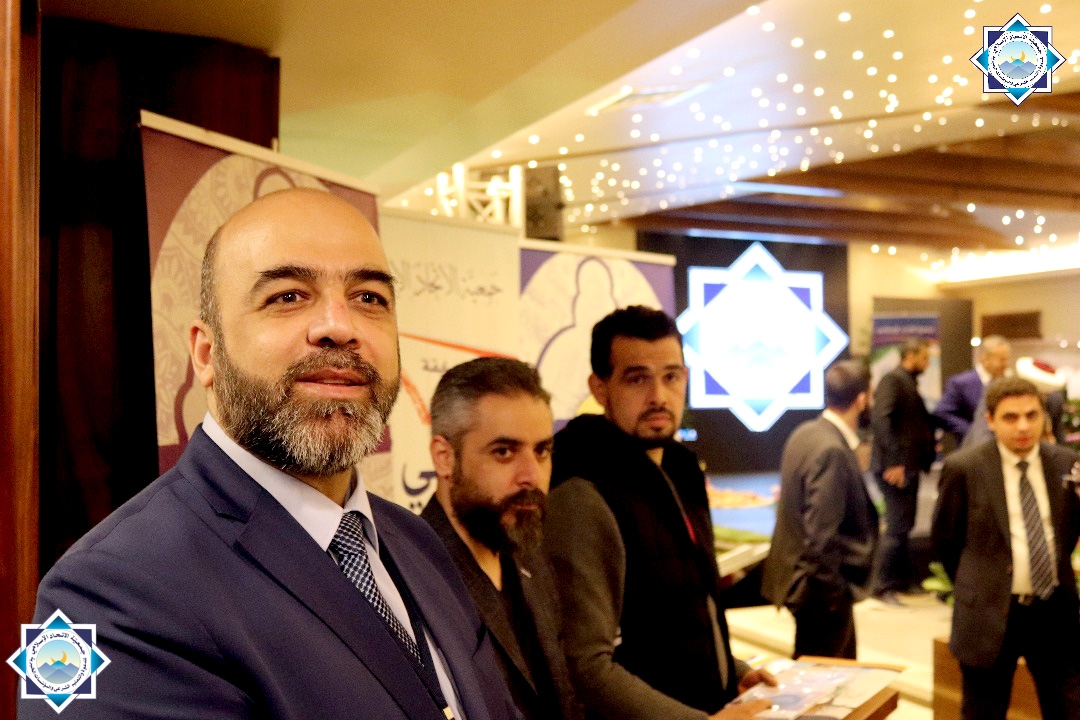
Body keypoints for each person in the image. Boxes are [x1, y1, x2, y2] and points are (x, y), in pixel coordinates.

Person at [20, 189, 518, 720]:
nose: (340, 326)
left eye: (369, 298)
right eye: (288, 296)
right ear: (207, 354)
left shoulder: (415, 540)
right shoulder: (104, 593)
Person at [543, 306, 774, 720]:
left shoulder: (680, 469)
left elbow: (687, 609)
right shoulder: (582, 488)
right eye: (637, 379)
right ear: (600, 388)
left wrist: (733, 673)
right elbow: (586, 666)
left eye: (672, 376)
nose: (659, 397)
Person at [421, 358, 582, 720]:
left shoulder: (529, 551)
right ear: (444, 458)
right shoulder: (411, 578)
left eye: (542, 451)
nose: (531, 476)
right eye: (504, 452)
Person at [932, 377, 1080, 720]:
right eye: (1010, 417)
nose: (1023, 426)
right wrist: (979, 583)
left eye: (1031, 415)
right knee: (983, 710)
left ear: (1044, 417)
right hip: (989, 613)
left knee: (1069, 708)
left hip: (1053, 610)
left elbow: (1069, 531)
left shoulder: (1066, 463)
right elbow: (946, 541)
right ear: (990, 420)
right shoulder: (965, 468)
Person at [761, 360, 878, 659]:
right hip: (819, 594)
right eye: (871, 396)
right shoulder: (832, 450)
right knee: (826, 680)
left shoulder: (805, 432)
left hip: (802, 582)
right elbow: (821, 535)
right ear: (861, 400)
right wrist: (834, 597)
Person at [869, 337, 936, 605]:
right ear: (910, 356)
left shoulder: (906, 381)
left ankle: (903, 582)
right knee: (897, 526)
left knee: (904, 526)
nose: (928, 362)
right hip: (895, 468)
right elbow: (881, 419)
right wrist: (894, 462)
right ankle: (881, 586)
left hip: (908, 466)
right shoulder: (893, 380)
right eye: (924, 357)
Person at [934, 335, 1012, 444]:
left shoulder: (1006, 383)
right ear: (984, 359)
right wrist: (970, 431)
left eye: (1007, 359)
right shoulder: (961, 383)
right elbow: (942, 413)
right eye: (1002, 360)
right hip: (972, 447)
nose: (1006, 364)